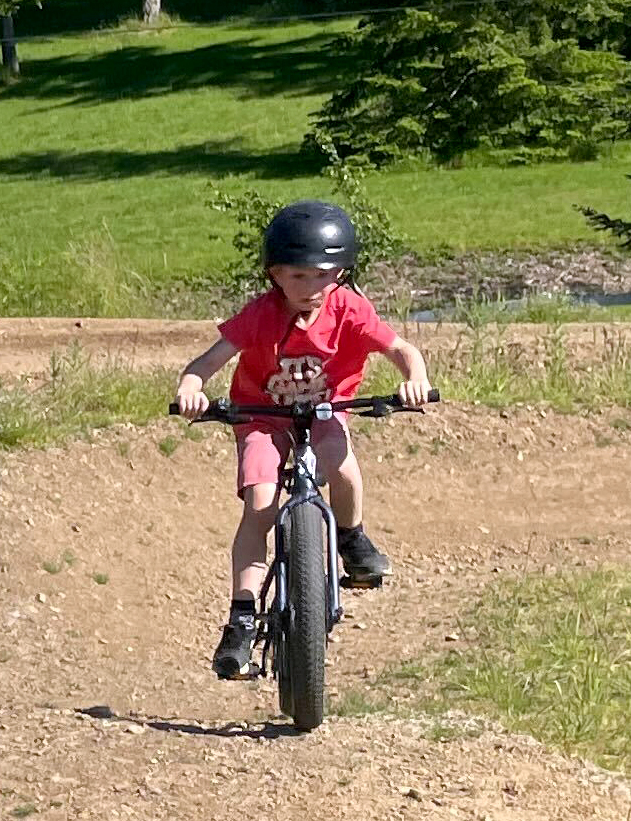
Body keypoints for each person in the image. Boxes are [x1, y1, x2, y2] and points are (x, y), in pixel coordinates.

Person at [173, 200, 435, 680]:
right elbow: (204, 365)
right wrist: (192, 390)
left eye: (322, 276)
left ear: (340, 273)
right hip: (261, 417)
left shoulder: (349, 308)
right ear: (274, 274)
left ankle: (352, 540)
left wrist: (413, 378)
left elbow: (400, 349)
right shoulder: (260, 315)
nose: (310, 288)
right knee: (260, 503)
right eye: (297, 277)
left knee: (341, 462)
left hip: (324, 413)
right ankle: (242, 618)